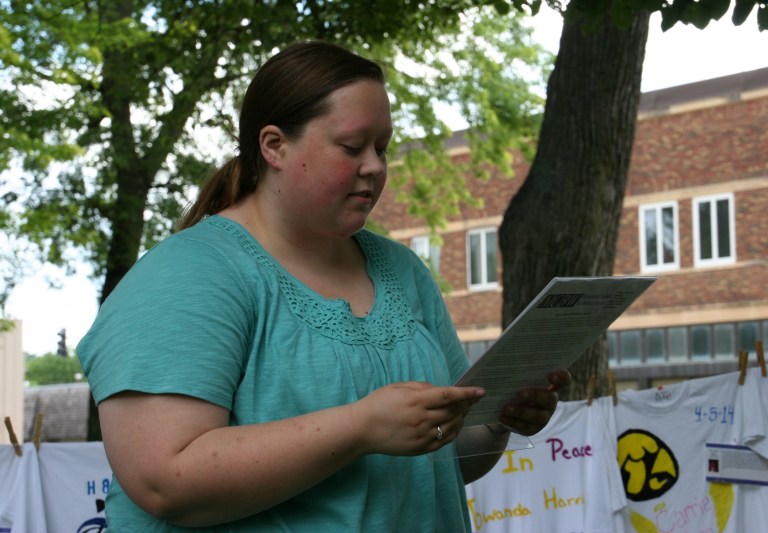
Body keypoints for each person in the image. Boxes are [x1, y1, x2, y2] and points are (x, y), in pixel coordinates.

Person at [77, 40, 571, 532]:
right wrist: (360, 428)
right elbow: (165, 482)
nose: (375, 166)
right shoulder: (190, 274)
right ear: (274, 146)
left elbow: (444, 462)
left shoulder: (403, 270)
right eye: (352, 147)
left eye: (382, 148)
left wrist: (499, 419)